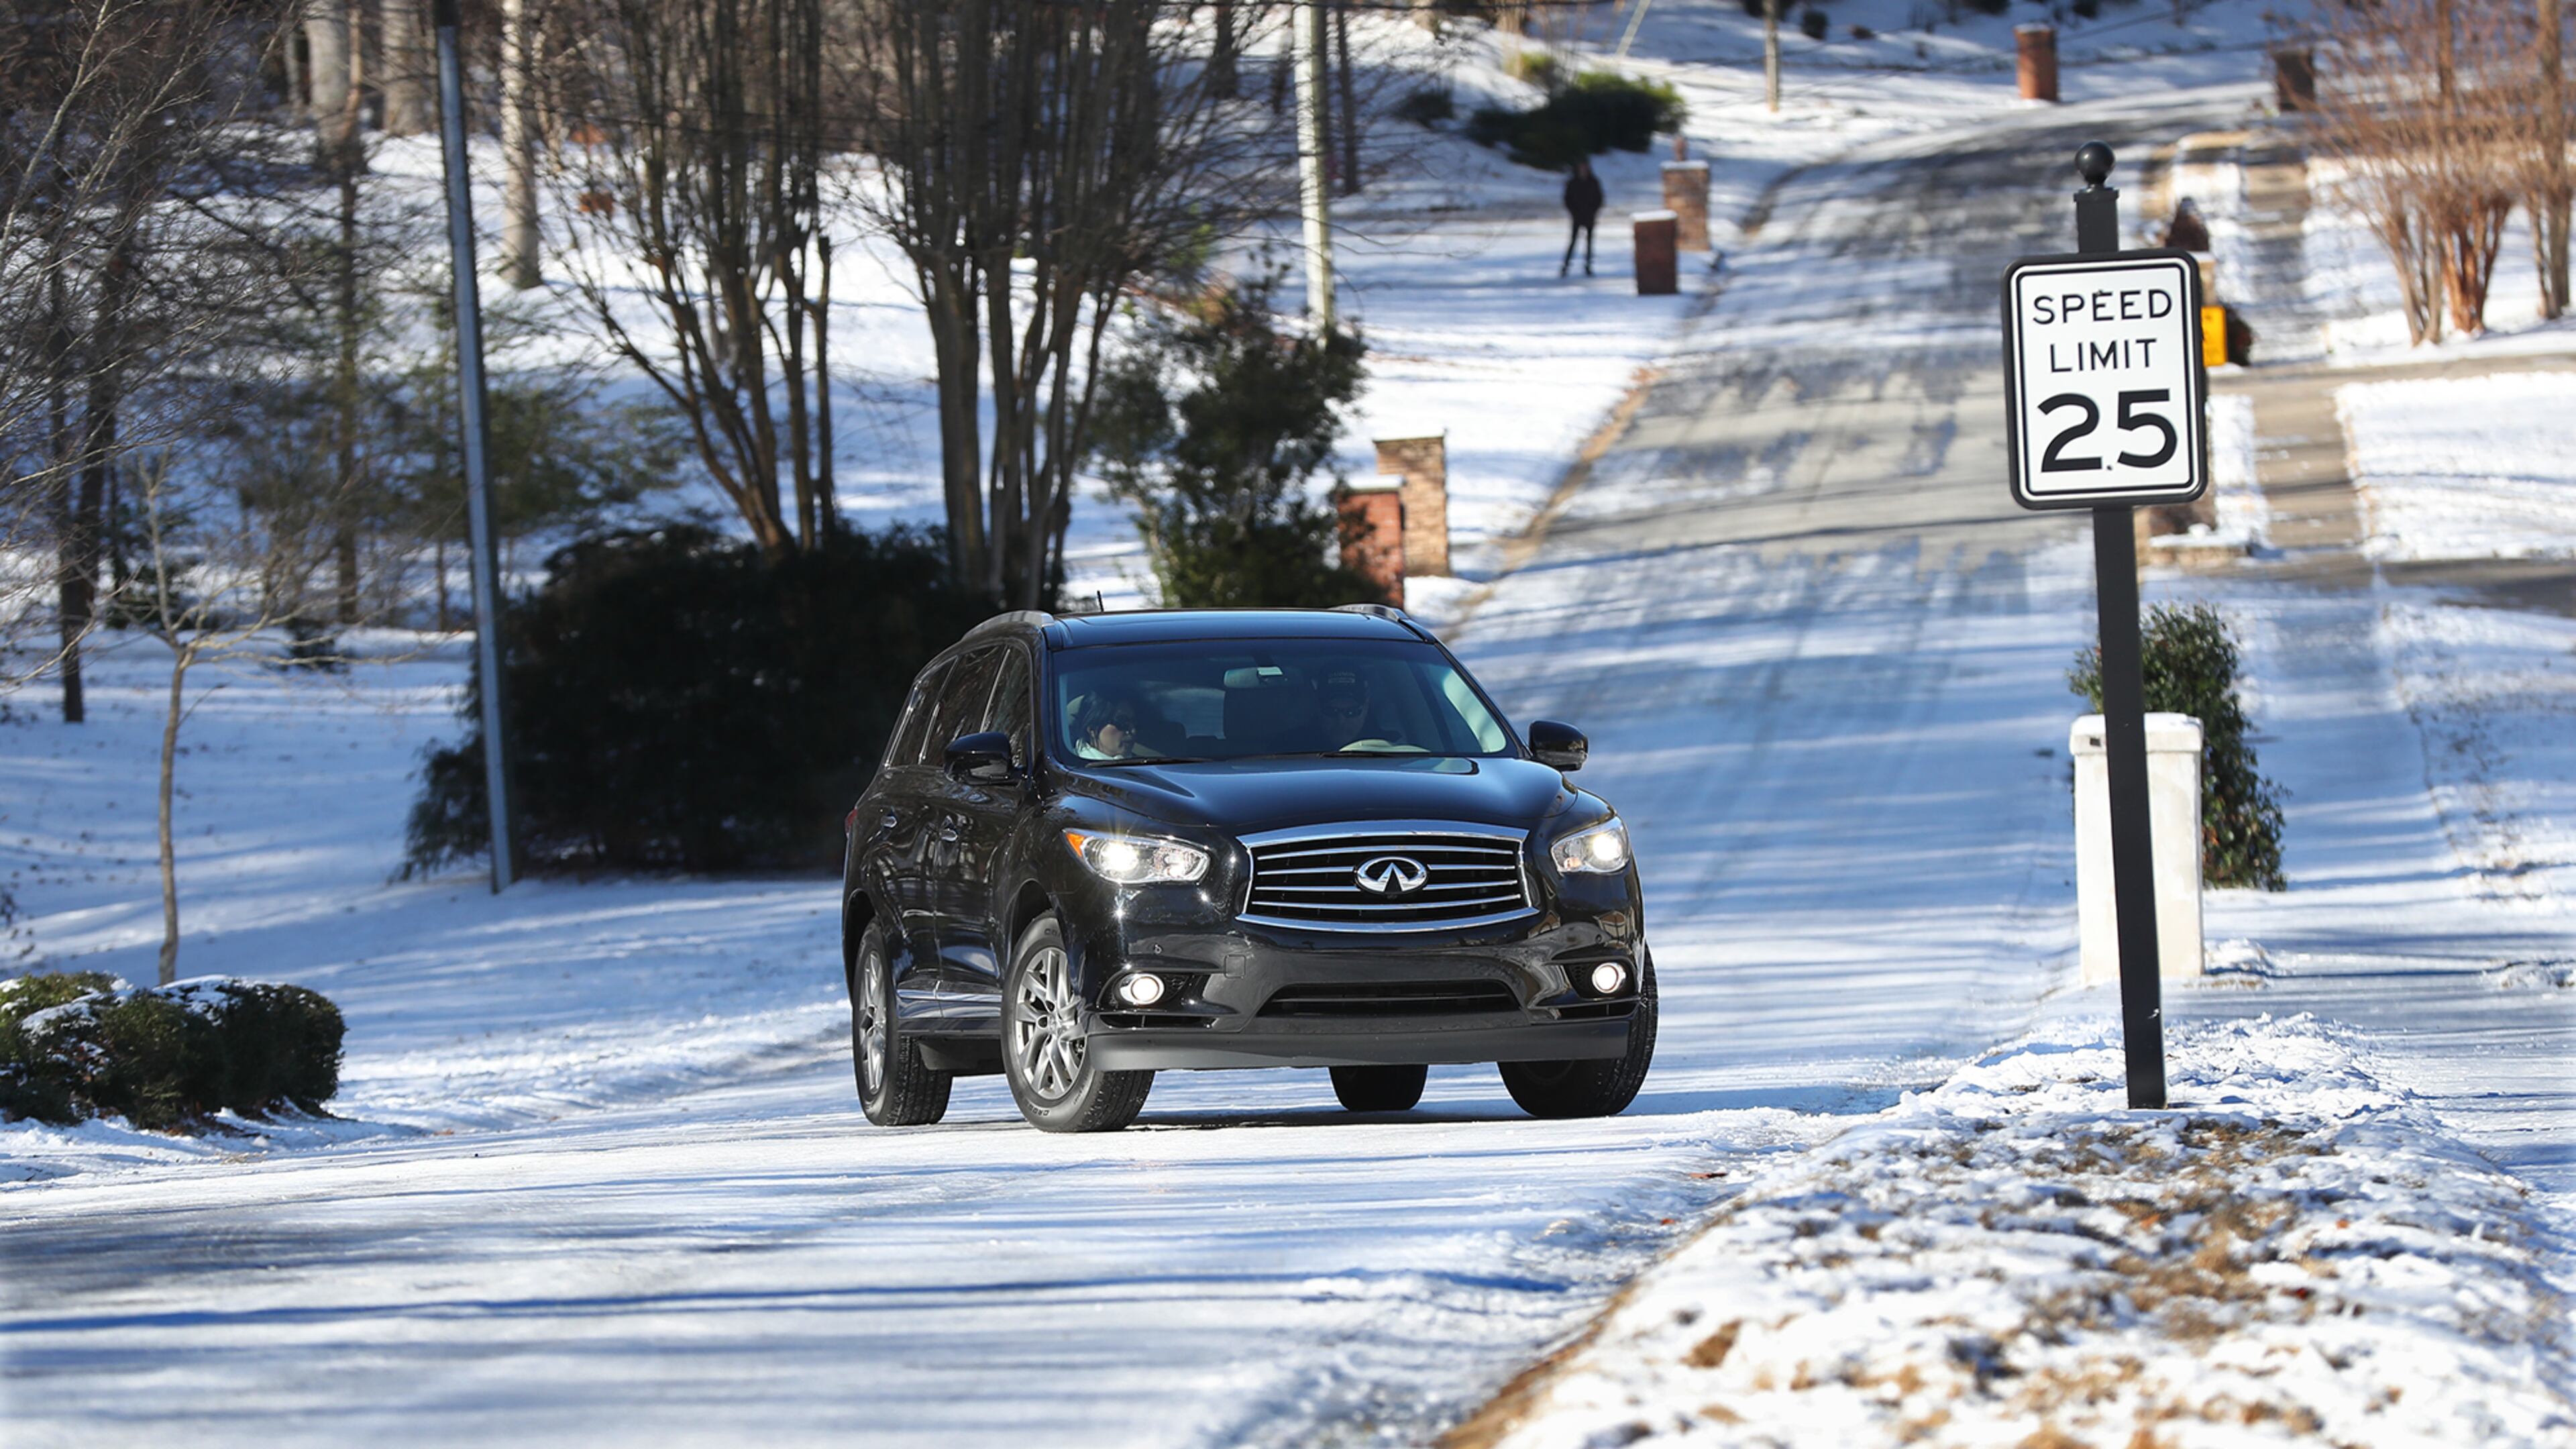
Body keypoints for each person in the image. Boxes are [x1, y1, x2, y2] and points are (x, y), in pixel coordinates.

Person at [1072, 695, 1154, 761]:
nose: (1133, 731)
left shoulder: (1146, 765)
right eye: (1122, 722)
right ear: (1092, 729)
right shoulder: (1072, 767)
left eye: (1135, 724)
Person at [1561, 158, 1605, 278]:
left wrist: (1593, 212)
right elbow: (1567, 200)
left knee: (1589, 243)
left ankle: (1588, 266)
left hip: (1590, 216)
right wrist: (1574, 212)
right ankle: (1566, 266)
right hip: (1577, 217)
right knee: (1573, 241)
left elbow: (1599, 199)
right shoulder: (1573, 183)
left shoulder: (1593, 182)